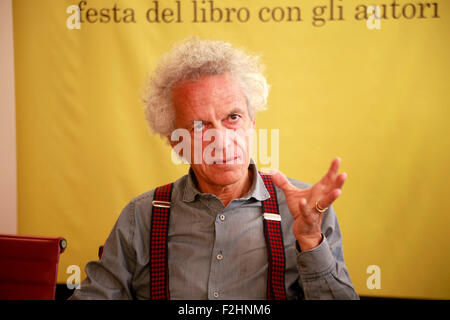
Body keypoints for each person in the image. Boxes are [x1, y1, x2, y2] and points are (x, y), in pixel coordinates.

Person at [69, 37, 359, 300]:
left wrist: (310, 241)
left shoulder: (307, 212)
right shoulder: (140, 217)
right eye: (199, 125)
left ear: (252, 121)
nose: (221, 140)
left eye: (233, 117)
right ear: (175, 142)